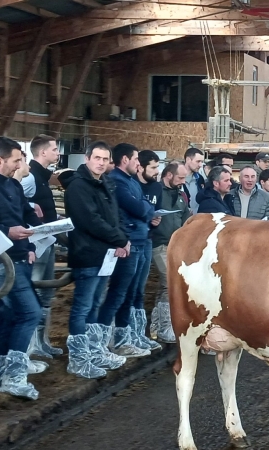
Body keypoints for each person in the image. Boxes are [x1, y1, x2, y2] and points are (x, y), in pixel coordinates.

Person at [0, 137, 42, 400]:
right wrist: (8, 231)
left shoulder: (14, 185)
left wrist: (31, 245)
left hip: (21, 256)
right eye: (16, 159)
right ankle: (15, 376)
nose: (20, 164)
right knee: (30, 313)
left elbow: (26, 216)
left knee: (8, 316)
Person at [63, 141, 129, 379]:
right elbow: (90, 220)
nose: (101, 163)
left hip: (105, 254)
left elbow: (113, 217)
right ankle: (79, 360)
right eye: (97, 158)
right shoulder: (79, 187)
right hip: (87, 253)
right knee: (82, 306)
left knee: (94, 304)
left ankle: (93, 351)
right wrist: (120, 239)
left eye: (105, 159)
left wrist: (121, 239)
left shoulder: (104, 183)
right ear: (87, 158)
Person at [97, 143, 157, 358]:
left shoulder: (131, 181)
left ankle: (126, 337)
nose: (138, 163)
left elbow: (144, 205)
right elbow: (140, 208)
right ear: (125, 160)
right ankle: (105, 342)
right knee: (119, 293)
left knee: (131, 293)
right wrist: (146, 211)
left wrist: (146, 210)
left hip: (139, 239)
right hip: (128, 242)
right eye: (135, 159)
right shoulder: (117, 182)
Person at [25, 135, 63, 359]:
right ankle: (32, 344)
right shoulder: (29, 176)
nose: (58, 153)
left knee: (47, 291)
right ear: (42, 153)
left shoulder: (41, 176)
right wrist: (30, 206)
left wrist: (54, 215)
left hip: (48, 238)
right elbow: (15, 201)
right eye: (55, 149)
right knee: (37, 290)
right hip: (36, 241)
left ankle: (43, 340)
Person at [149, 162, 191, 343]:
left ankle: (156, 324)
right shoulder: (156, 192)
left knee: (165, 285)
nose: (183, 181)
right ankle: (165, 326)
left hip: (175, 244)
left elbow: (185, 217)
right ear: (168, 175)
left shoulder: (181, 195)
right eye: (180, 177)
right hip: (158, 242)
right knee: (169, 282)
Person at [127, 150, 163, 352]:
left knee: (140, 288)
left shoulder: (156, 187)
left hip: (148, 238)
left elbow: (152, 211)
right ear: (140, 166)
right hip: (132, 241)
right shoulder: (132, 185)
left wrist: (155, 221)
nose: (157, 171)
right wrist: (147, 217)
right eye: (154, 167)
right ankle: (125, 334)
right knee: (127, 288)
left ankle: (139, 333)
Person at [183, 147, 205, 213]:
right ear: (188, 160)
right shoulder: (175, 178)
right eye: (198, 161)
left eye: (202, 162)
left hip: (196, 219)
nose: (200, 165)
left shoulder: (200, 179)